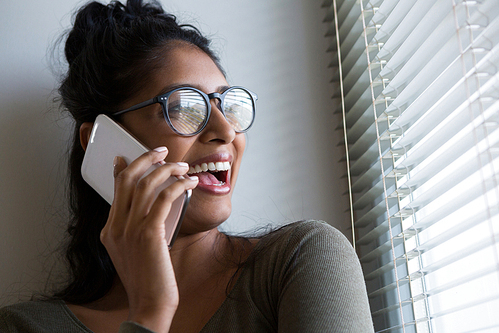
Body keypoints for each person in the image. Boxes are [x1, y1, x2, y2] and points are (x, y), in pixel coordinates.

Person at [0, 0, 374, 332]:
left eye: (229, 105)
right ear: (101, 143)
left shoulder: (301, 262)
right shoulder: (24, 326)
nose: (226, 130)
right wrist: (150, 313)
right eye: (185, 107)